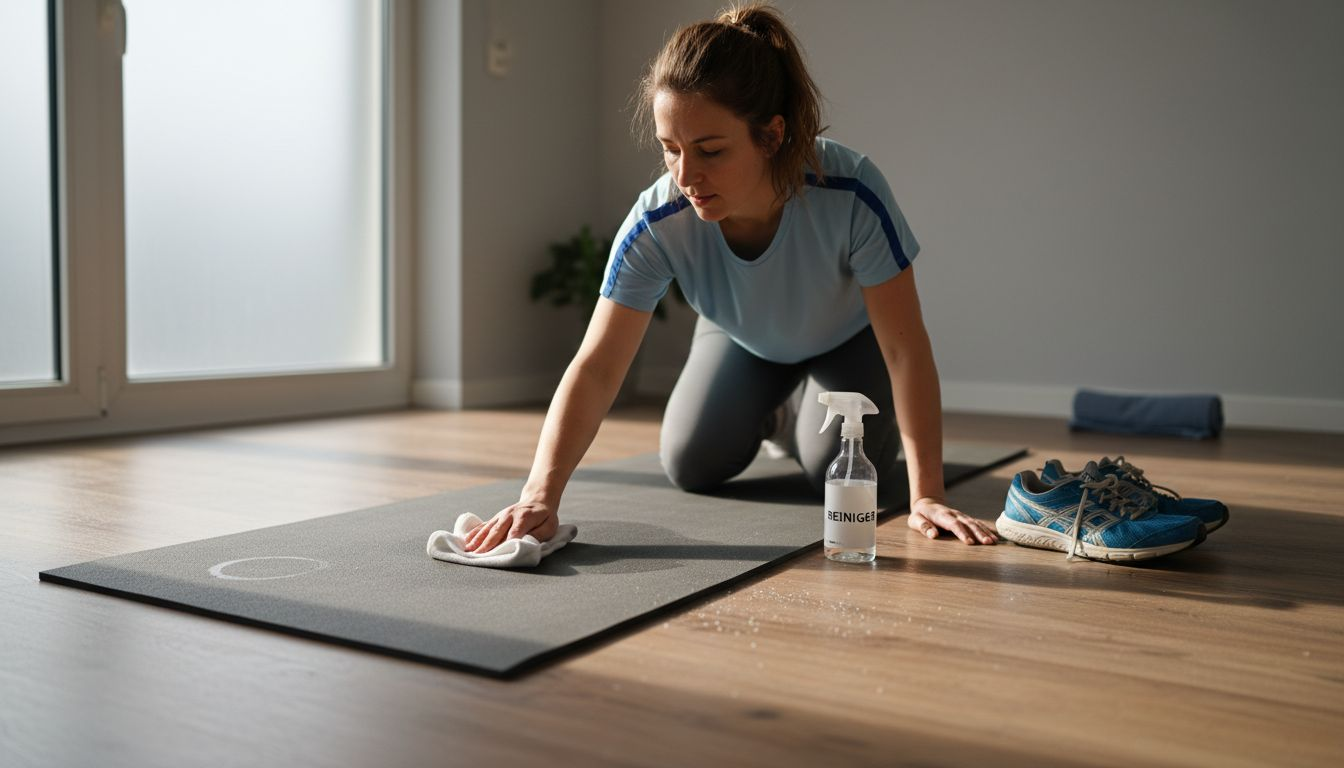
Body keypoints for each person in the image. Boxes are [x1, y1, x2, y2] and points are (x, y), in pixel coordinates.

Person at [465, 2, 998, 553]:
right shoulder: (658, 220)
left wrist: (927, 494)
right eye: (669, 150)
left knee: (832, 475)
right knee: (691, 462)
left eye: (710, 151)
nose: (686, 176)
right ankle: (777, 413)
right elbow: (598, 366)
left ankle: (799, 422)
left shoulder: (852, 193)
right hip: (742, 337)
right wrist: (539, 494)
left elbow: (905, 352)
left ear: (772, 136)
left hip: (849, 342)